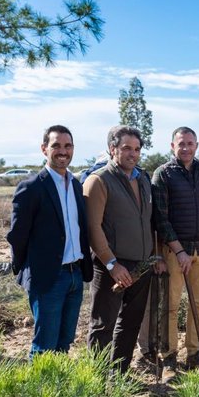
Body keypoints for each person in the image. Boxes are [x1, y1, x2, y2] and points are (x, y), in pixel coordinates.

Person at [7, 125, 93, 358]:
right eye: (56, 145)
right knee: (44, 346)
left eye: (67, 146)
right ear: (44, 149)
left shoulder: (75, 185)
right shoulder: (32, 187)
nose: (62, 151)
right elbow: (17, 235)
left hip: (75, 275)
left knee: (64, 343)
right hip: (48, 279)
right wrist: (27, 271)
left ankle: (59, 392)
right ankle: (39, 393)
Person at [147, 126, 199, 372]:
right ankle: (169, 357)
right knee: (169, 306)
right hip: (174, 252)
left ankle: (195, 355)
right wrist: (179, 251)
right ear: (173, 146)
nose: (186, 148)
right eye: (181, 144)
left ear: (196, 145)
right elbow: (161, 218)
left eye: (190, 143)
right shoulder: (162, 174)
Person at [84, 125, 156, 373]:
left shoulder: (143, 179)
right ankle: (97, 379)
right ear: (112, 149)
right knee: (103, 325)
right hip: (111, 268)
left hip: (141, 265)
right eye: (126, 148)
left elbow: (149, 220)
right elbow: (93, 227)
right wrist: (112, 264)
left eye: (137, 149)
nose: (132, 154)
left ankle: (120, 375)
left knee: (130, 323)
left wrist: (152, 257)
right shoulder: (99, 181)